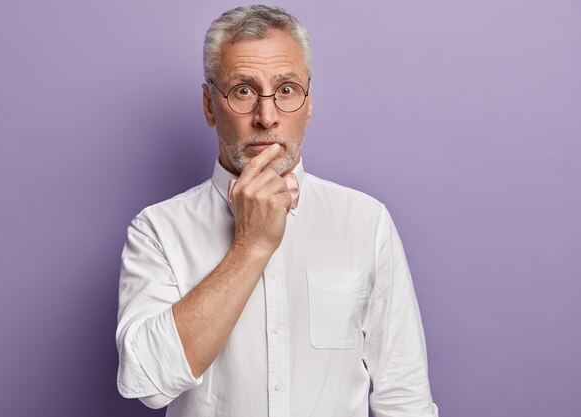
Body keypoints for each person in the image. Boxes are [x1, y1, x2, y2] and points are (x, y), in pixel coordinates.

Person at [116, 5, 439, 417]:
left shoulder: (366, 221)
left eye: (286, 90)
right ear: (209, 105)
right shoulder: (157, 230)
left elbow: (404, 398)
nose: (266, 117)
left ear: (308, 104)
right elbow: (146, 382)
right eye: (244, 90)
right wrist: (250, 247)